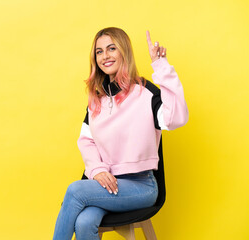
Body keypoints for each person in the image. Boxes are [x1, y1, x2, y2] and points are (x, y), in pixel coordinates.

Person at [52, 27, 188, 240]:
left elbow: (176, 118)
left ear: (124, 51)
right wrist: (97, 170)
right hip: (106, 185)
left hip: (142, 186)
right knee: (84, 221)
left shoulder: (144, 91)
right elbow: (86, 140)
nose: (104, 56)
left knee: (76, 191)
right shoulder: (96, 98)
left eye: (111, 48)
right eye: (99, 51)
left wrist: (161, 67)